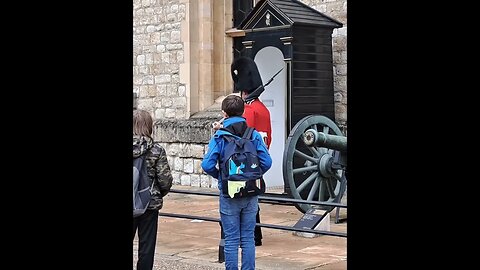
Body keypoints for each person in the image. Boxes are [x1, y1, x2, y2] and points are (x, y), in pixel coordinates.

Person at [202, 95, 272, 270]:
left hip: (229, 192)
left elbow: (207, 164)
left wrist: (221, 176)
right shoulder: (253, 134)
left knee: (232, 239)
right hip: (250, 192)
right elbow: (267, 162)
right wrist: (253, 175)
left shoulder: (219, 136)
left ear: (224, 113)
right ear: (243, 112)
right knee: (248, 238)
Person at [231, 56, 272, 246]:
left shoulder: (249, 110)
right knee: (253, 198)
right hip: (258, 157)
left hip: (244, 159)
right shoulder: (263, 108)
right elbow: (267, 137)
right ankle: (256, 235)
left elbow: (241, 136)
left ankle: (250, 236)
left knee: (242, 199)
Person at [133, 109, 173, 270]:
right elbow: (165, 180)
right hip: (149, 203)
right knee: (147, 248)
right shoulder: (156, 150)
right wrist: (156, 193)